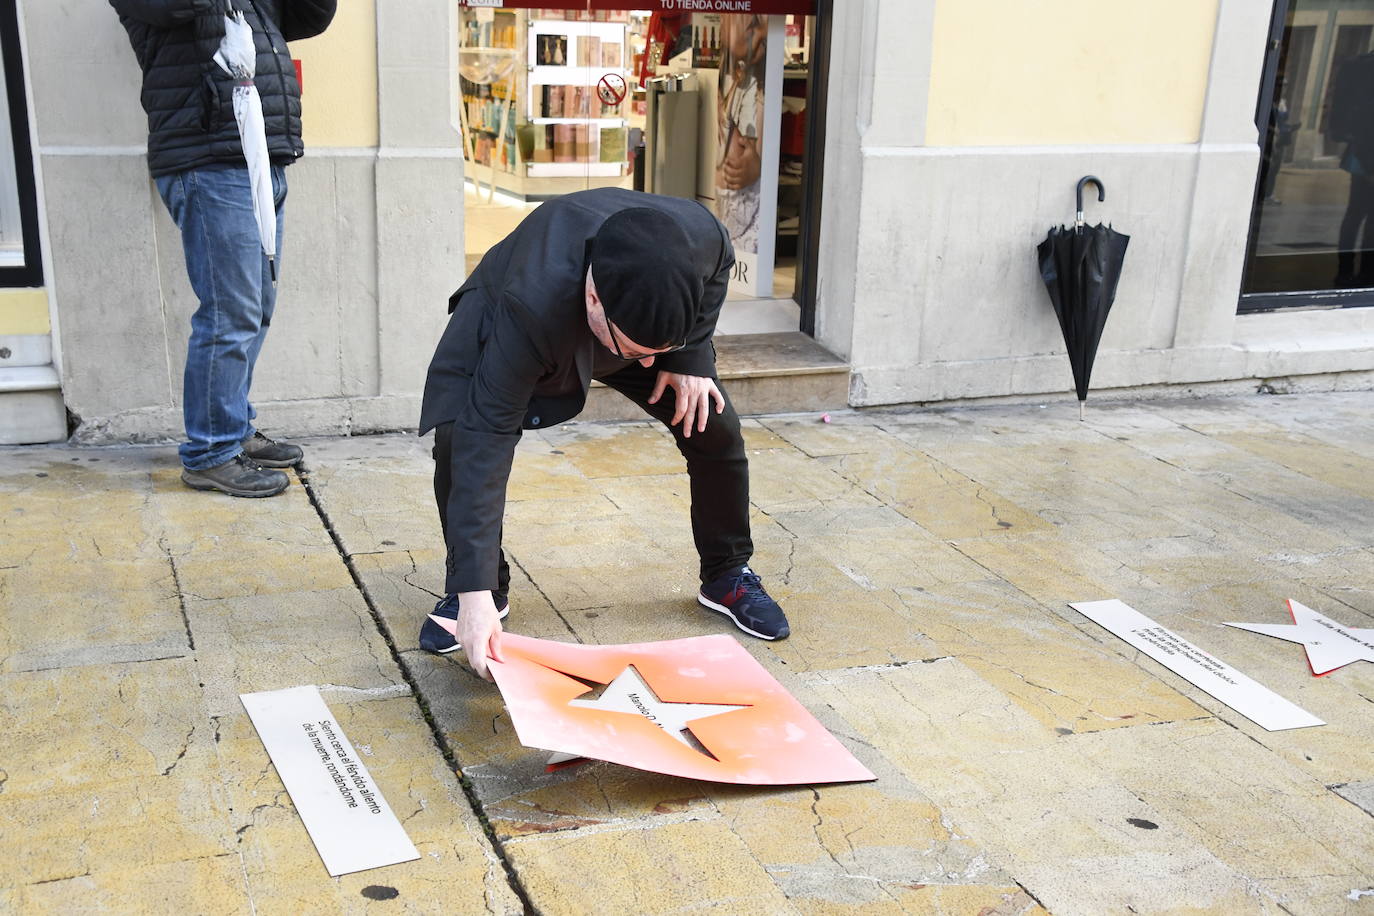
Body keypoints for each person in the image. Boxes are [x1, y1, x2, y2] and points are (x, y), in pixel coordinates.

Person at [418, 188, 791, 680]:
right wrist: (473, 593)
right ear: (594, 299)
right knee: (459, 437)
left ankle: (726, 574)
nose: (650, 364)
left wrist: (689, 357)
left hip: (625, 323)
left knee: (712, 422)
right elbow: (486, 438)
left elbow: (719, 262)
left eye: (659, 350)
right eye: (641, 351)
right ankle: (482, 590)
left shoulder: (698, 235)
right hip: (518, 308)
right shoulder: (527, 307)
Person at [111, 0, 336, 496]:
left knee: (255, 308)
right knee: (229, 312)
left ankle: (232, 427)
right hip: (208, 157)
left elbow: (310, 16)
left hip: (261, 154)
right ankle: (211, 452)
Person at [1329, 52, 1374, 289]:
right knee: (1361, 217)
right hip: (1365, 151)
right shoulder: (1364, 67)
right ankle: (1364, 274)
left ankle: (1346, 271)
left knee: (1354, 215)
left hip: (1360, 150)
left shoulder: (1358, 64)